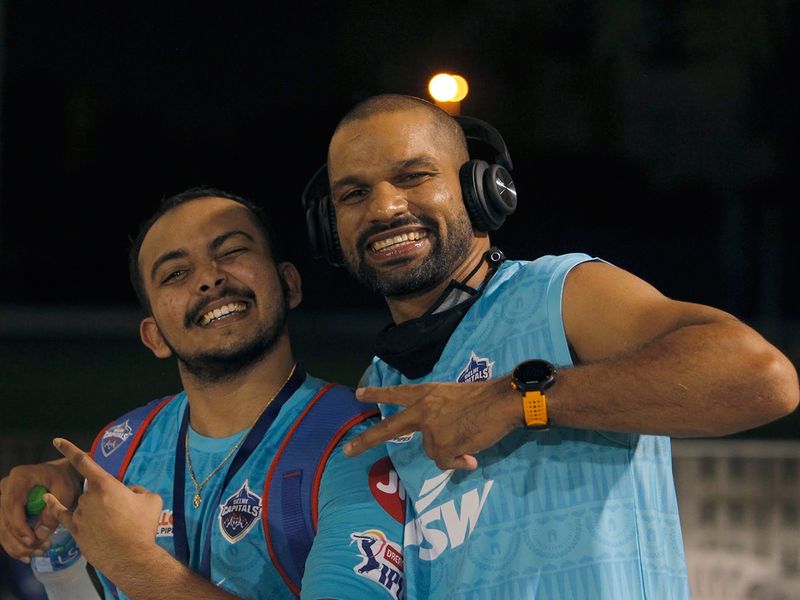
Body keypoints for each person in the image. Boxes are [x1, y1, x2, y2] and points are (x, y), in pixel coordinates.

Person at [301, 93, 800, 599]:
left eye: (413, 177)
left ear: (479, 190)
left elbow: (760, 378)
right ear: (329, 229)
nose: (384, 207)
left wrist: (519, 400)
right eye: (354, 194)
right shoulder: (380, 386)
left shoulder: (559, 293)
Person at [0, 187, 406, 600]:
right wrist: (59, 479)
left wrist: (137, 565)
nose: (210, 278)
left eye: (231, 251)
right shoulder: (122, 448)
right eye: (175, 273)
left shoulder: (356, 442)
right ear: (154, 336)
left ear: (289, 285)